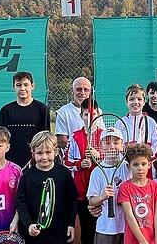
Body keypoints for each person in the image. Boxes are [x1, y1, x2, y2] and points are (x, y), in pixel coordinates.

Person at [16, 131, 78, 243]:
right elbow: (21, 203)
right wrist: (29, 225)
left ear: (55, 152)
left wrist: (71, 224)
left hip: (60, 234)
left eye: (48, 152)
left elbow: (72, 200)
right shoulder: (27, 176)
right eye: (39, 153)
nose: (44, 157)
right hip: (35, 236)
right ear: (33, 153)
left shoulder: (64, 173)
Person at [66, 98, 104, 244]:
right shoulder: (75, 137)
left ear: (98, 114)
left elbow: (112, 160)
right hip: (82, 192)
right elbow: (66, 162)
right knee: (87, 231)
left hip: (99, 192)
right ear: (81, 116)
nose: (90, 118)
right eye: (86, 115)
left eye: (93, 114)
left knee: (100, 229)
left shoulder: (104, 135)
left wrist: (98, 156)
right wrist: (81, 163)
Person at [87, 127, 132, 244]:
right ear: (100, 146)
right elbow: (92, 201)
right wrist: (102, 197)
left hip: (128, 226)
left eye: (116, 142)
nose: (112, 146)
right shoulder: (97, 172)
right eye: (107, 143)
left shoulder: (128, 167)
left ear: (122, 145)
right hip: (105, 228)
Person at [0, 71, 51, 167]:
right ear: (14, 87)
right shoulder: (6, 110)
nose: (22, 88)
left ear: (32, 86)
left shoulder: (42, 109)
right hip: (11, 160)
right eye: (18, 85)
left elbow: (45, 137)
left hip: (35, 161)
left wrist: (39, 157)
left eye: (26, 85)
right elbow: (1, 139)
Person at [118, 143, 157, 244]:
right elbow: (129, 215)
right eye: (135, 164)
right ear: (129, 166)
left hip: (154, 238)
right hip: (134, 239)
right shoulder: (124, 188)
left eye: (143, 164)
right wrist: (142, 241)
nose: (140, 168)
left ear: (149, 165)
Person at [115, 84, 157, 177]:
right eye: (131, 99)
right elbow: (116, 147)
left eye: (139, 99)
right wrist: (127, 163)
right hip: (126, 170)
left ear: (144, 102)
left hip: (146, 171)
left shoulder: (151, 122)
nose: (135, 102)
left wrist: (146, 162)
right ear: (126, 102)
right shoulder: (120, 123)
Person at [56, 77, 94, 151]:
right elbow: (61, 140)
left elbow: (101, 136)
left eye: (86, 90)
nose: (82, 93)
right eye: (79, 89)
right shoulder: (63, 112)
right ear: (72, 91)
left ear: (90, 92)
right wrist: (78, 152)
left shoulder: (97, 111)